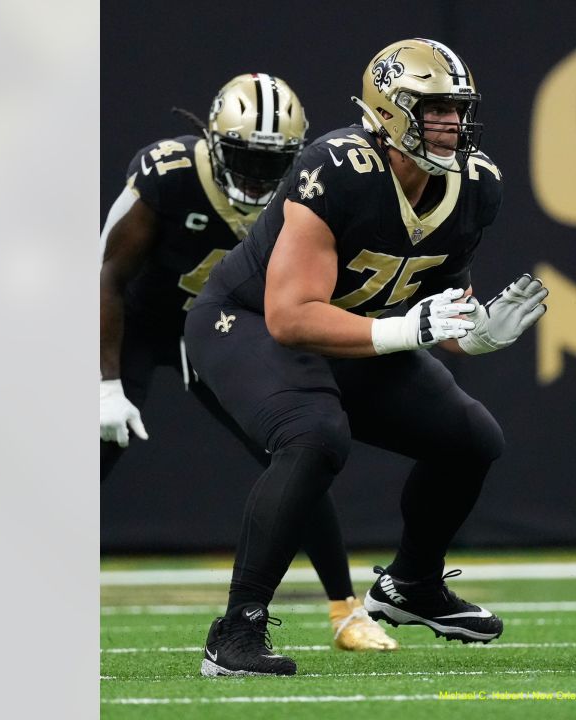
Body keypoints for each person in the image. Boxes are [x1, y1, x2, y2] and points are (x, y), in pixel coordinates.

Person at [186, 39, 550, 677]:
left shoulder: (474, 186)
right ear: (386, 110)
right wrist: (405, 332)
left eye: (457, 110)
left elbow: (437, 307)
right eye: (432, 109)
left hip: (356, 330)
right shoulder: (337, 169)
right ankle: (236, 627)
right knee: (314, 434)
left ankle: (412, 586)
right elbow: (291, 316)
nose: (452, 124)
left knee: (471, 438)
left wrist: (479, 334)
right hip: (246, 322)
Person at [99, 74, 398, 652]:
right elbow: (107, 274)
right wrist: (105, 381)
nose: (261, 177)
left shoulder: (310, 183)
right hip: (134, 324)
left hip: (220, 330)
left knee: (294, 450)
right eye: (245, 158)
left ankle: (346, 609)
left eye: (274, 163)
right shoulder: (168, 173)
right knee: (94, 451)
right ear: (212, 142)